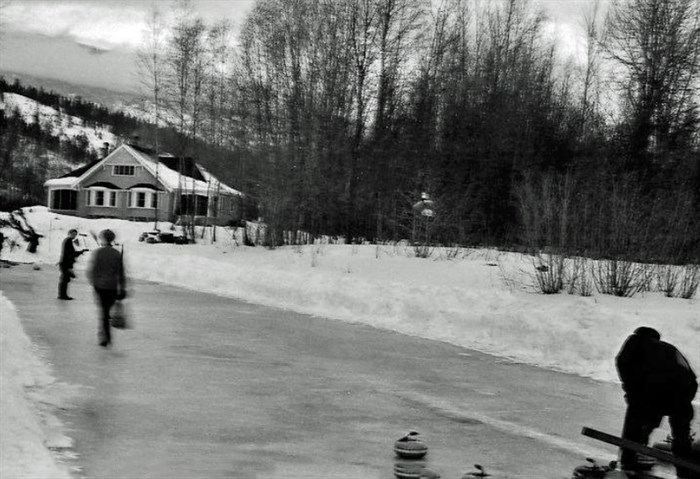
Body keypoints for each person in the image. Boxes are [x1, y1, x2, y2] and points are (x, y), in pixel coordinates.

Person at [616, 326, 698, 478]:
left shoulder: (635, 340)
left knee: (637, 422)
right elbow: (691, 377)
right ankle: (685, 469)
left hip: (652, 392)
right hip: (681, 393)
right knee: (681, 433)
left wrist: (632, 391)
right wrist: (684, 399)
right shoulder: (670, 349)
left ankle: (630, 458)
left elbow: (622, 361)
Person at [86, 229, 126, 347]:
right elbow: (121, 273)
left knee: (103, 312)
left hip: (100, 287)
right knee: (107, 311)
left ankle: (104, 335)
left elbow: (92, 271)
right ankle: (106, 333)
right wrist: (122, 288)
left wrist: (94, 283)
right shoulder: (116, 254)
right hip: (113, 287)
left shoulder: (98, 253)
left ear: (103, 239)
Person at [58, 229, 86, 300]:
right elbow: (70, 253)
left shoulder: (67, 241)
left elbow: (71, 253)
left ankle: (62, 295)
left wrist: (79, 252)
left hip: (65, 262)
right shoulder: (68, 241)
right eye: (73, 234)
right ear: (69, 233)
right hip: (66, 263)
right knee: (65, 279)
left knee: (65, 279)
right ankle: (63, 295)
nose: (74, 235)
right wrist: (79, 253)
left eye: (75, 234)